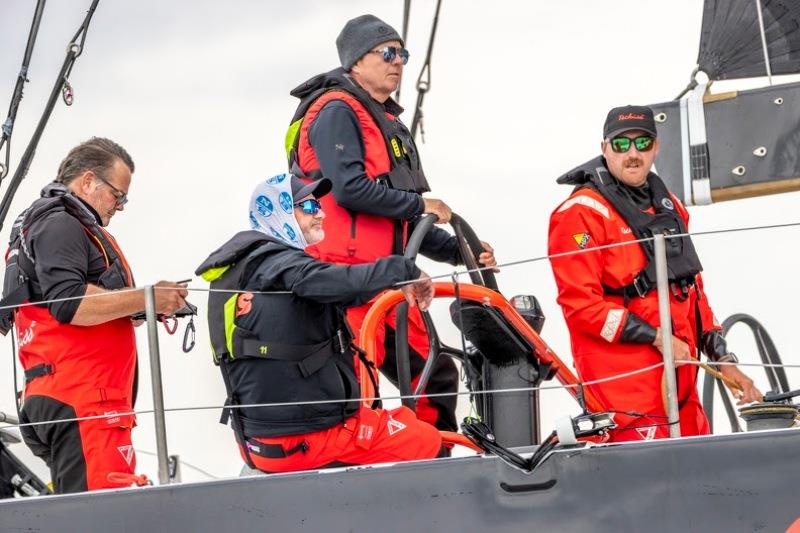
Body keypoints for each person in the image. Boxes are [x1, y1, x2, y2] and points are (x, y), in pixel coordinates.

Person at [285, 14, 497, 432]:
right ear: (356, 62)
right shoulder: (335, 111)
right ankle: (368, 475)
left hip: (388, 281)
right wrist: (419, 205)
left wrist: (461, 250)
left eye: (402, 53)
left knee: (435, 377)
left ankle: (441, 463)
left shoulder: (387, 123)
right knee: (359, 392)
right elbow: (349, 190)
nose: (398, 62)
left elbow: (397, 220)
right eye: (387, 53)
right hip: (342, 284)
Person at [196, 174, 443, 472]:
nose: (321, 213)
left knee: (400, 420)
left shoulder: (241, 269)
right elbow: (342, 283)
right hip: (310, 438)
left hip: (260, 443)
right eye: (309, 206)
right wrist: (404, 269)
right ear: (280, 210)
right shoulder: (282, 265)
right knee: (427, 440)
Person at [548, 106, 762, 442]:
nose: (633, 154)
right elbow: (581, 307)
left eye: (642, 143)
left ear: (656, 147)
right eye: (621, 144)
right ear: (604, 148)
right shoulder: (578, 214)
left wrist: (723, 358)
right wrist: (658, 337)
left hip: (682, 388)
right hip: (626, 394)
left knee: (702, 473)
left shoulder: (670, 207)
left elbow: (692, 292)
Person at [1, 138, 188, 493]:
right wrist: (147, 297)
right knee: (99, 518)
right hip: (83, 400)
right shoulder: (61, 224)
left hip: (62, 393)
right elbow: (69, 304)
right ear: (88, 182)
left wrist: (141, 306)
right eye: (119, 195)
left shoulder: (42, 225)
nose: (120, 206)